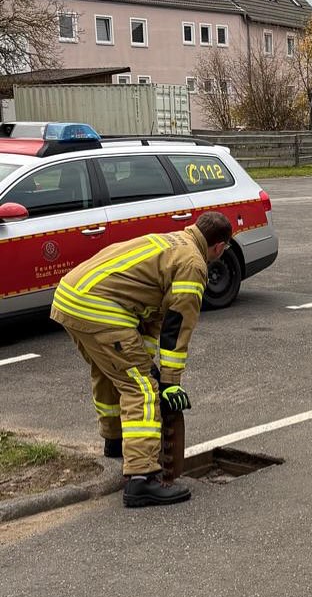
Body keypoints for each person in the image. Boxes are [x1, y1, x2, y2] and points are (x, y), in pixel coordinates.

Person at [50, 211, 233, 507]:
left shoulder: (172, 242)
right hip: (100, 308)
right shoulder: (193, 264)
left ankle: (115, 442)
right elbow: (177, 326)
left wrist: (148, 362)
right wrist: (169, 383)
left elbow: (152, 321)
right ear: (220, 246)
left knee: (113, 373)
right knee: (141, 388)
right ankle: (142, 478)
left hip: (71, 297)